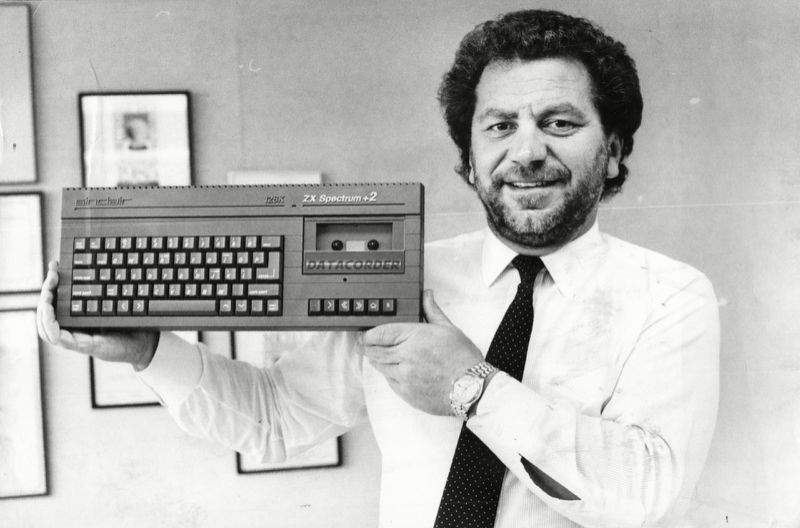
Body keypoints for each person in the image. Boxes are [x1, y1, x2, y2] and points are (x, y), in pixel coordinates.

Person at [37, 9, 719, 528]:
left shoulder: (670, 297)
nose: (527, 151)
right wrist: (148, 351)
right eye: (499, 126)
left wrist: (471, 388)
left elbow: (646, 495)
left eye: (560, 123)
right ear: (468, 160)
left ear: (615, 150)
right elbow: (274, 420)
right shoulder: (403, 277)